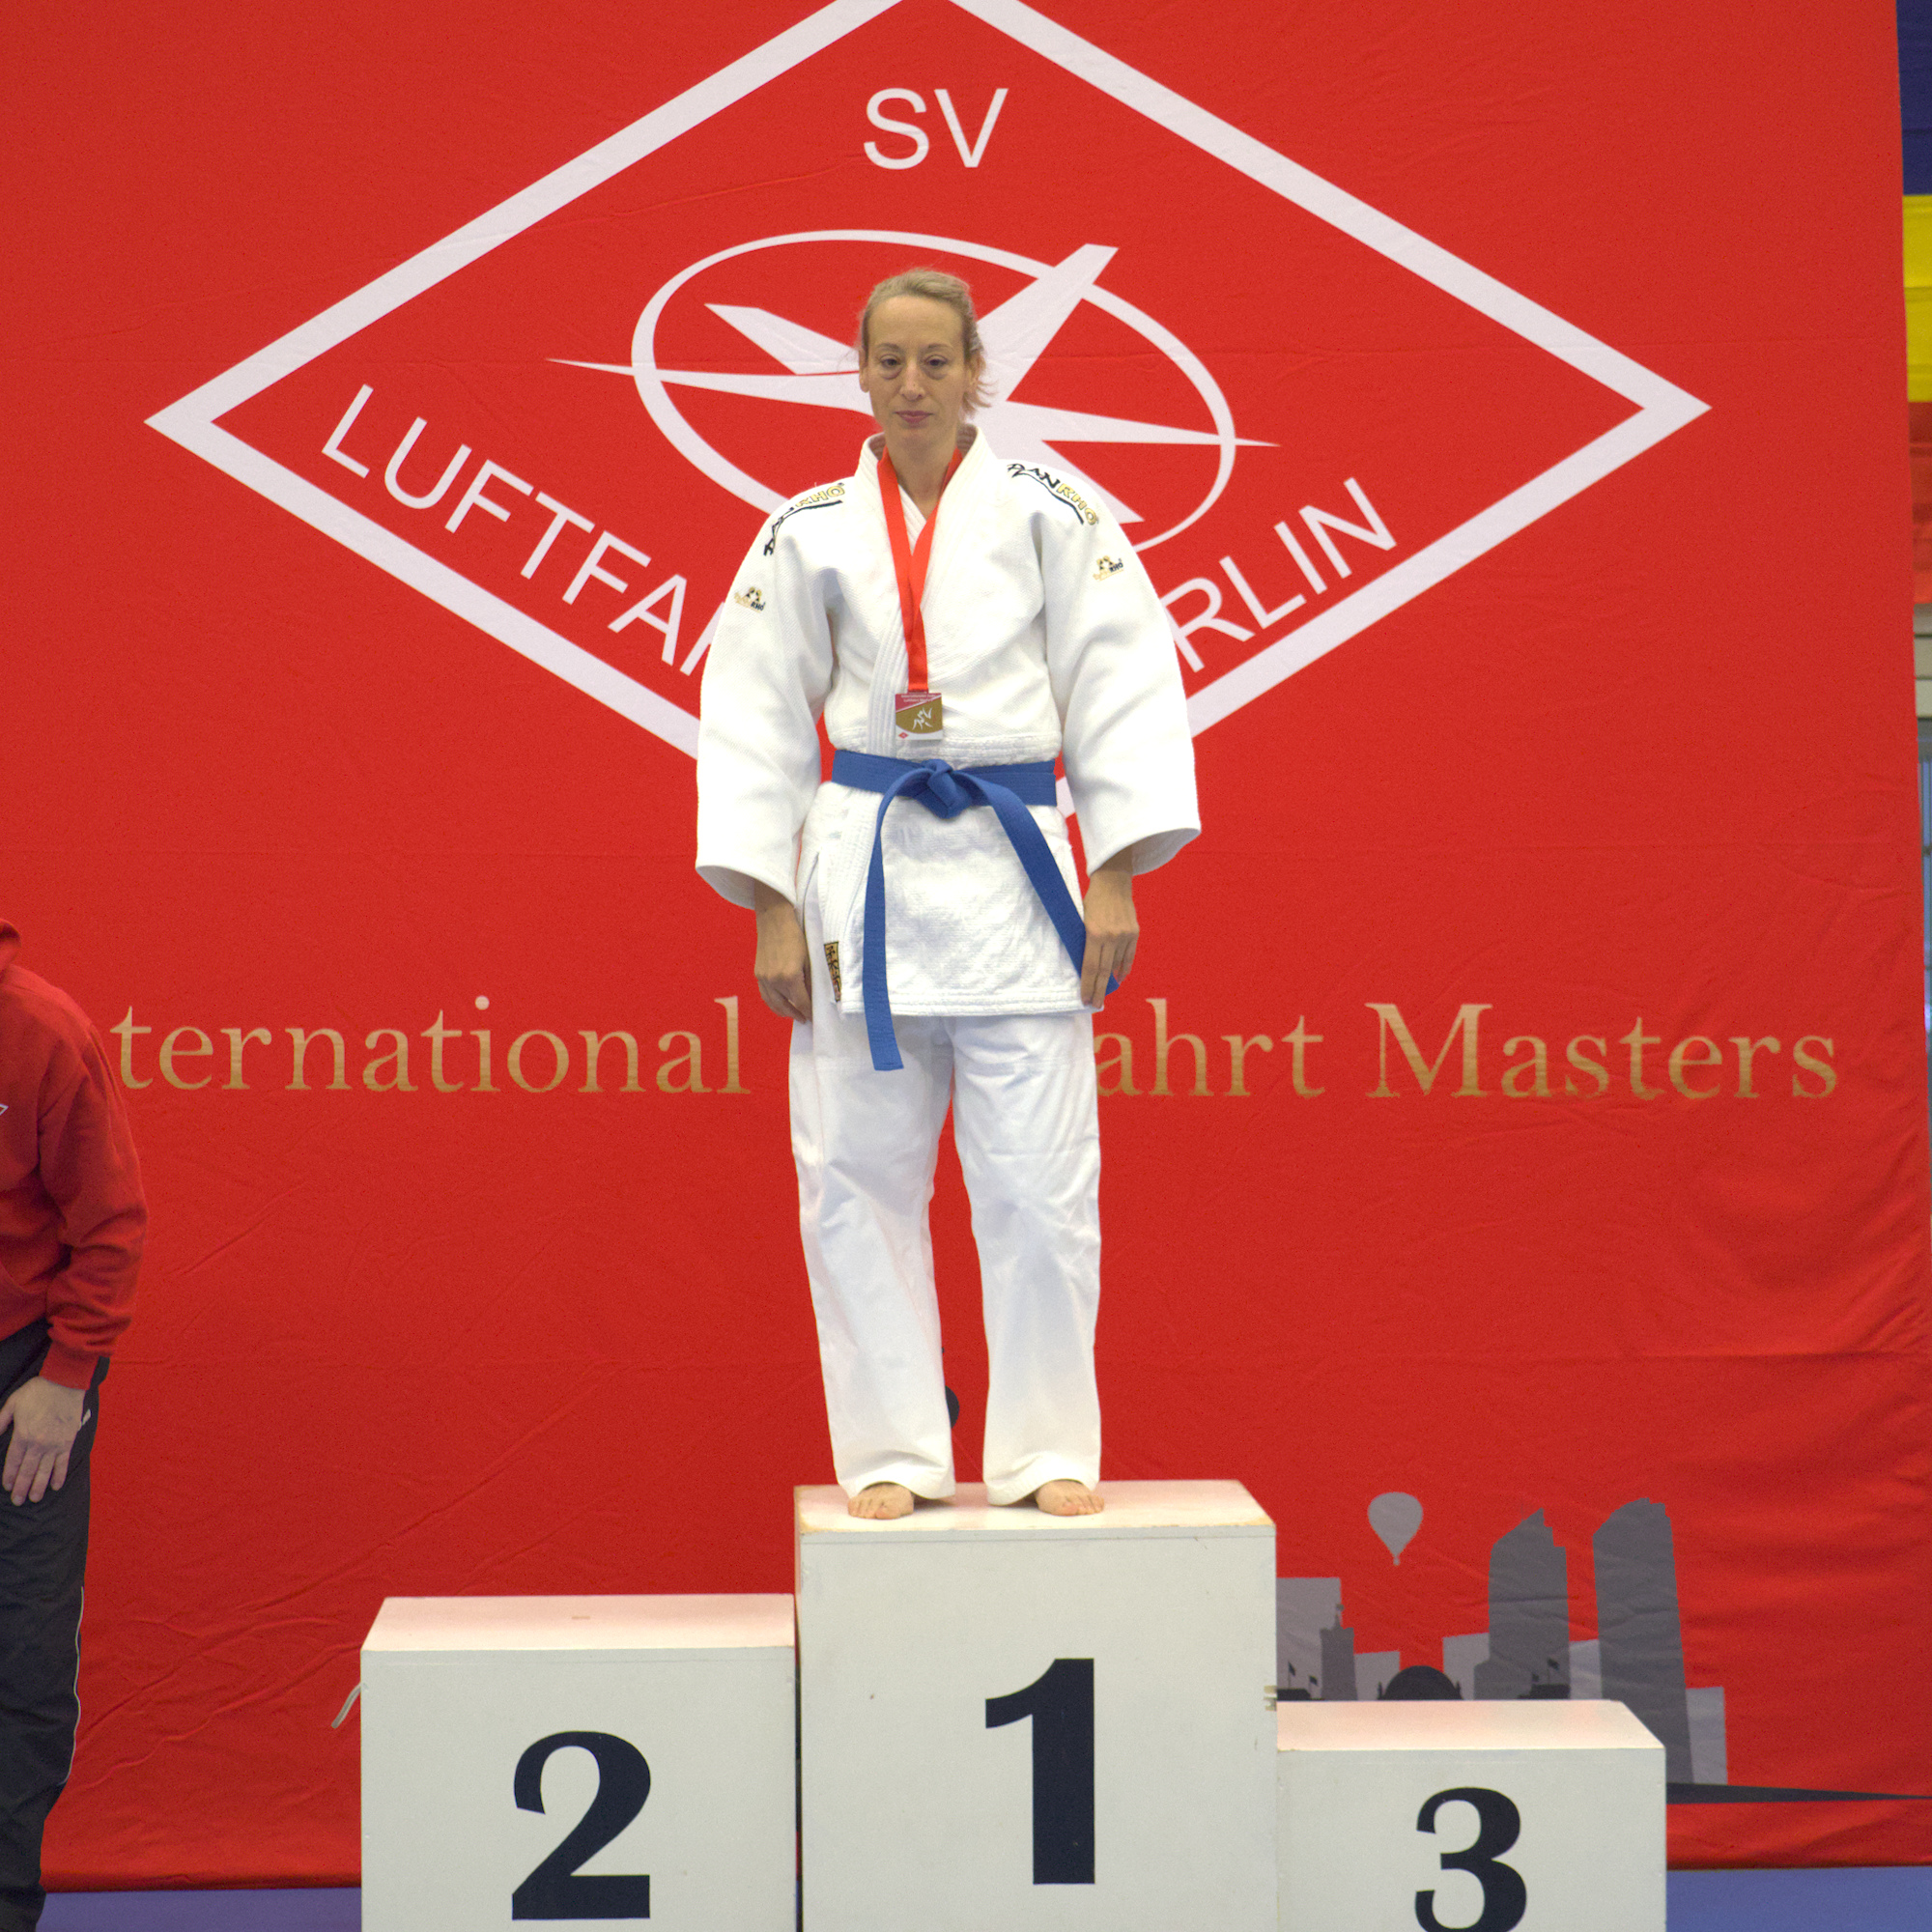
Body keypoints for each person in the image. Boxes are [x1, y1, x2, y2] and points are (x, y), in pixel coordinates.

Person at [696, 269, 1196, 1520]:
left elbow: (1124, 680)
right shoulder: (805, 526)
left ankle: (1043, 1449)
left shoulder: (1053, 508)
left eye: (937, 361)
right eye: (890, 362)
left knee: (1038, 1183)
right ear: (857, 373)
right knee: (853, 1180)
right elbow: (752, 708)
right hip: (861, 870)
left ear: (981, 372)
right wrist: (768, 899)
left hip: (1018, 868)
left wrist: (1115, 869)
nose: (912, 384)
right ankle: (894, 1454)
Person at [0, 922, 144, 1930]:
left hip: (23, 1375)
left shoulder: (43, 1031)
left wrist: (65, 1376)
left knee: (24, 1653)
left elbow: (110, 1224)